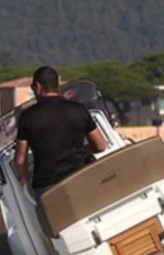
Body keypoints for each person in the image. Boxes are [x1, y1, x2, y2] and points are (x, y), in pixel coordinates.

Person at [14, 66, 106, 199]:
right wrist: (84, 150)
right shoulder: (79, 110)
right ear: (56, 86)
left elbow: (20, 159)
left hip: (47, 187)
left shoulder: (28, 117)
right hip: (78, 178)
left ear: (38, 87)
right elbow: (100, 146)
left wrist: (24, 178)